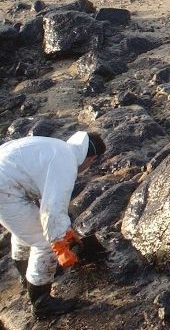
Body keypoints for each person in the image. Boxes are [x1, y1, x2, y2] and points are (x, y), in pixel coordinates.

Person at [0, 131, 106, 318]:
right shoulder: (66, 163)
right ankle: (42, 304)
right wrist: (59, 243)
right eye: (92, 162)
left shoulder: (56, 147)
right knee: (44, 242)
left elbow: (43, 199)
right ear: (91, 157)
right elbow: (52, 210)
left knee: (25, 230)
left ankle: (27, 276)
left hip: (9, 186)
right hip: (5, 191)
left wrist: (67, 233)